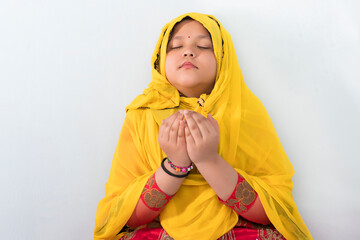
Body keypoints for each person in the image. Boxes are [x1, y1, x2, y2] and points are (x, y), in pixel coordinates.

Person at [94, 12, 313, 240]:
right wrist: (175, 165)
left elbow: (274, 211)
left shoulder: (245, 112)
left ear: (223, 59)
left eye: (204, 46)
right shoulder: (142, 116)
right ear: (160, 60)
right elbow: (123, 216)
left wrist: (209, 160)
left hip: (240, 230)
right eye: (176, 46)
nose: (188, 51)